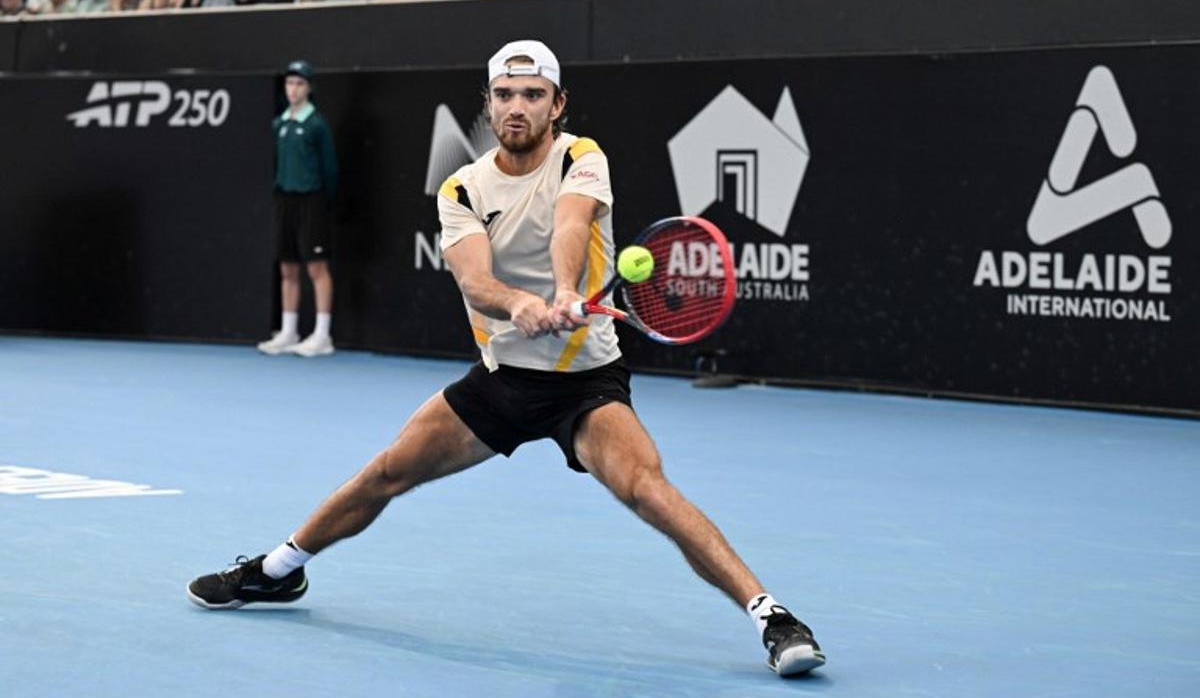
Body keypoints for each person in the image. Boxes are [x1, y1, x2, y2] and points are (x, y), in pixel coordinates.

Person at [186, 39, 826, 679]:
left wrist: (567, 291)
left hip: (585, 386)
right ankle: (276, 572)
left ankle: (772, 616)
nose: (517, 107)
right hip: (502, 382)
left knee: (646, 489)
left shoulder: (582, 156)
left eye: (533, 95)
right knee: (387, 472)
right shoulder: (462, 188)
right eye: (504, 95)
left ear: (558, 105)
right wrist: (519, 303)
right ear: (488, 104)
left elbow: (570, 226)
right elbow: (473, 280)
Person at [255, 61, 338, 358]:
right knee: (287, 266)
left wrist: (324, 201)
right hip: (284, 200)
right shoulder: (279, 124)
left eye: (300, 84)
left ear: (309, 88)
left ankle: (322, 334)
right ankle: (289, 330)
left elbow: (329, 169)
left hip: (312, 200)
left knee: (316, 267)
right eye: (290, 83)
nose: (293, 89)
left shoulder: (317, 124)